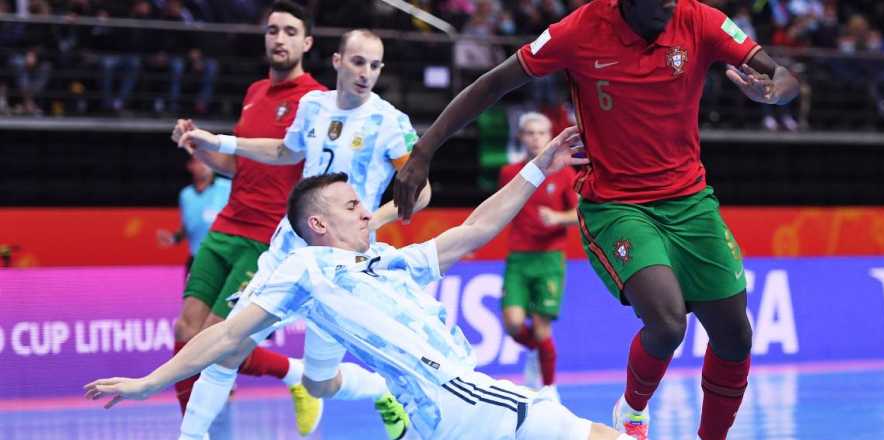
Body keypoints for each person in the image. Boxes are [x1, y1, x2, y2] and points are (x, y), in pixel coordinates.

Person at [392, 1, 800, 439]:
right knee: (667, 325)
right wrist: (423, 151)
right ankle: (632, 409)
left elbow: (785, 75)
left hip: (690, 202)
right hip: (617, 205)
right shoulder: (580, 30)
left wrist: (775, 91)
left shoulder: (700, 20)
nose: (670, 4)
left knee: (736, 338)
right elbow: (494, 83)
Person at [85, 127, 635, 440]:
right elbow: (226, 335)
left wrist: (539, 165)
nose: (368, 211)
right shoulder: (307, 269)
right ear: (319, 225)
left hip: (444, 409)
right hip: (456, 393)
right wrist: (148, 383)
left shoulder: (387, 259)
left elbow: (474, 230)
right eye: (352, 206)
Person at [170, 28, 431, 440]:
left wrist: (372, 220)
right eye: (358, 62)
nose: (366, 73)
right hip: (288, 251)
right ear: (338, 62)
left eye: (375, 65)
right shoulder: (313, 106)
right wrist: (219, 141)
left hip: (342, 266)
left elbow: (422, 191)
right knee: (228, 348)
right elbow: (283, 151)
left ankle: (379, 389)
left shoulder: (390, 122)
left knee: (318, 383)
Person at [166, 1, 327, 436]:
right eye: (273, 30)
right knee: (185, 330)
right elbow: (238, 164)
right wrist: (199, 147)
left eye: (290, 31)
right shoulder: (255, 92)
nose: (280, 39)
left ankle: (295, 376)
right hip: (226, 227)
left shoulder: (316, 100)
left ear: (307, 43)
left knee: (218, 341)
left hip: (266, 238)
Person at [498, 112, 577, 395]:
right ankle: (536, 352)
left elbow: (580, 213)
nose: (535, 138)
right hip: (518, 258)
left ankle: (548, 389)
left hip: (549, 259)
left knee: (543, 327)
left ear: (550, 136)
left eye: (541, 133)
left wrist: (557, 218)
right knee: (513, 324)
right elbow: (499, 210)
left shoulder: (564, 174)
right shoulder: (509, 173)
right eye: (530, 133)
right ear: (521, 137)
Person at [157, 156, 231, 277]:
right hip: (196, 258)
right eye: (199, 161)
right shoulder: (185, 194)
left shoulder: (228, 187)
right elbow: (188, 226)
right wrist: (174, 238)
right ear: (190, 166)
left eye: (207, 161)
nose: (204, 165)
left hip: (223, 257)